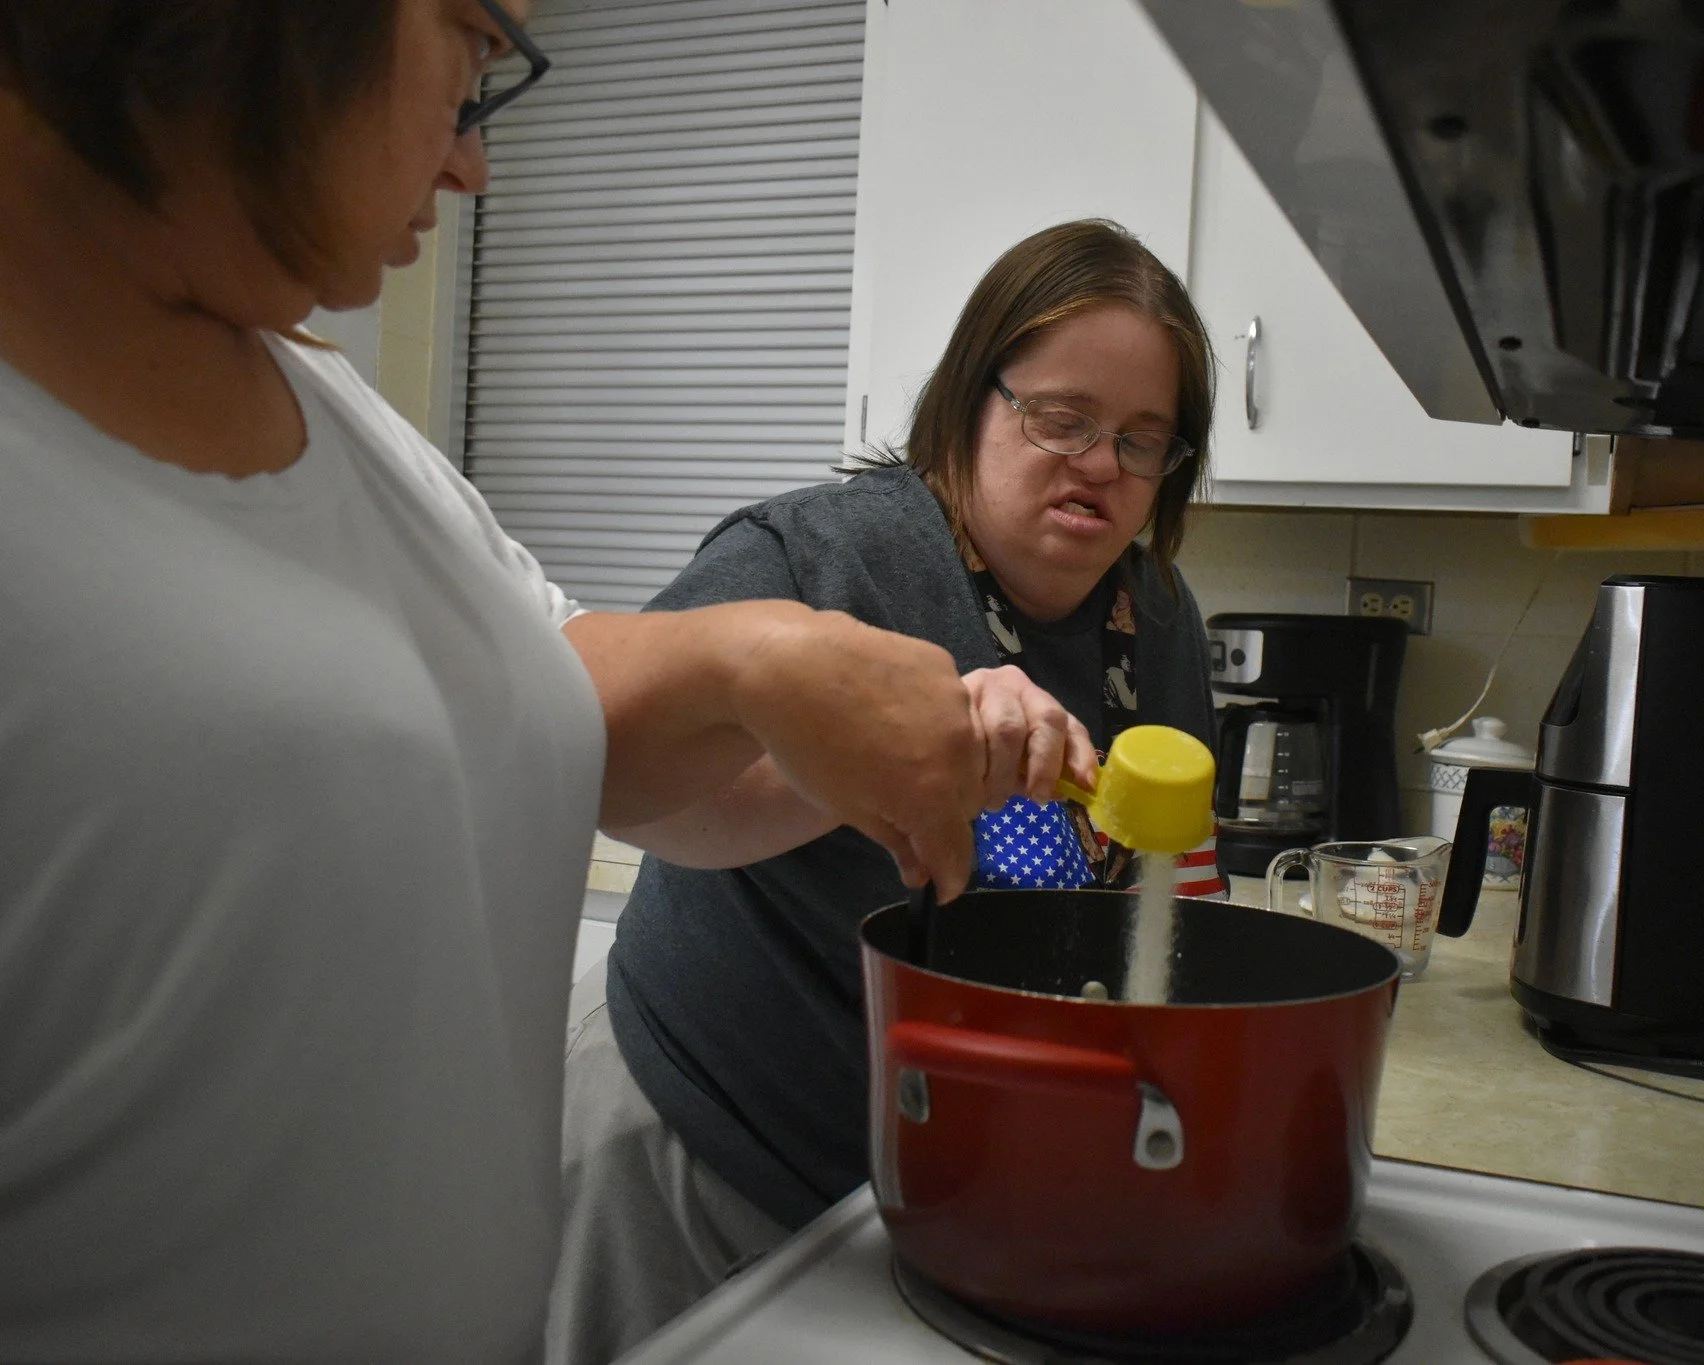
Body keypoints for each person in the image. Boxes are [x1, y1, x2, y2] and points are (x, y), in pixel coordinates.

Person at [0, 3, 1092, 1360]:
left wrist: (764, 670)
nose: (475, 168)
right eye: (469, 67)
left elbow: (562, 710)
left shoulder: (323, 400)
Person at [551, 219, 1225, 1364]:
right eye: (1061, 419)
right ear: (970, 402)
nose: (1101, 465)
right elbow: (625, 785)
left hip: (941, 1189)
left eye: (1141, 439)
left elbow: (1156, 885)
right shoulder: (819, 557)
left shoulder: (1155, 623)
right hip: (706, 1131)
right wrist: (880, 758)